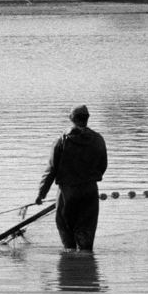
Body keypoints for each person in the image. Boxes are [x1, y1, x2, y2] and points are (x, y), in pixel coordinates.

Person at [36, 105, 109, 252]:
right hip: (89, 190)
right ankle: (86, 262)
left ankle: (70, 265)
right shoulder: (98, 139)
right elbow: (103, 165)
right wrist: (90, 177)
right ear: (87, 118)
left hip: (67, 192)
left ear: (72, 119)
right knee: (87, 231)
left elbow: (51, 170)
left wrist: (41, 193)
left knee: (65, 228)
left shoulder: (61, 141)